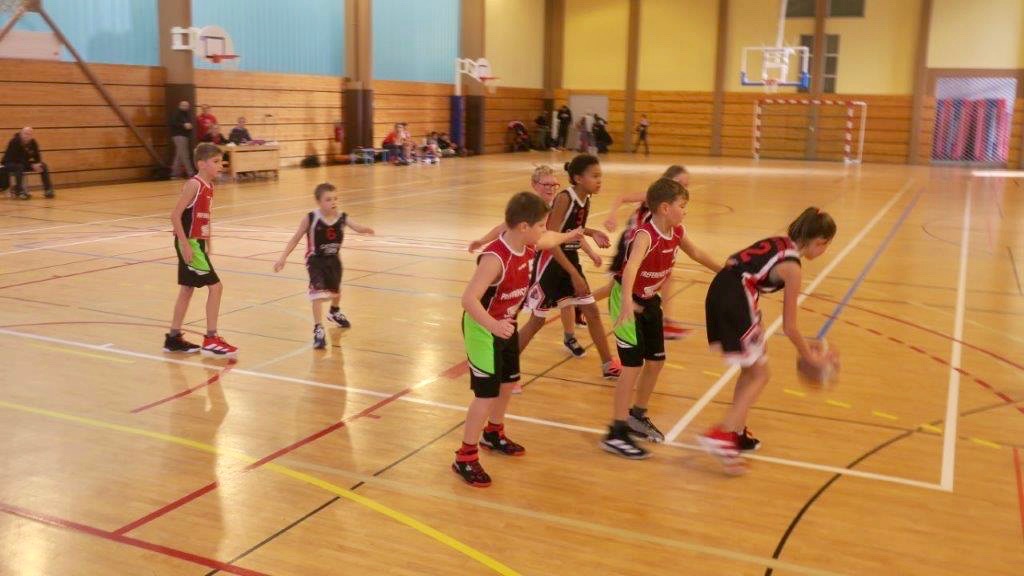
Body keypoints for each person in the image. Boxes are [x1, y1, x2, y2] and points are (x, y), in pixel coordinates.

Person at [452, 191, 584, 487]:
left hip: (505, 324)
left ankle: (493, 433)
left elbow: (549, 239)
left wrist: (571, 235)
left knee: (508, 382)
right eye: (541, 225)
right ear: (524, 226)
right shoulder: (495, 258)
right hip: (482, 328)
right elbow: (469, 299)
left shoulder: (526, 243)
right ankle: (465, 457)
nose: (544, 231)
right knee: (485, 395)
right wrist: (493, 325)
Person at [699, 208, 838, 474]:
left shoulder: (778, 242)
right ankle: (722, 433)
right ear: (819, 241)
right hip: (737, 299)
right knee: (761, 374)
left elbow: (733, 263)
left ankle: (736, 432)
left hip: (719, 290)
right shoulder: (793, 268)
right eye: (826, 245)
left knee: (750, 369)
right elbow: (789, 326)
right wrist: (809, 356)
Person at [602, 178, 721, 459]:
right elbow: (630, 268)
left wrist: (725, 271)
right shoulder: (645, 235)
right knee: (632, 366)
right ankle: (616, 432)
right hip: (626, 301)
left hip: (649, 300)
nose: (685, 211)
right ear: (665, 208)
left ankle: (637, 416)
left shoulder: (677, 231)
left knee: (656, 362)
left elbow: (697, 253)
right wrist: (627, 301)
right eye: (682, 206)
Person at [467, 165, 595, 378]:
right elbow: (504, 228)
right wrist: (482, 241)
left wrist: (576, 239)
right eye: (546, 184)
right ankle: (506, 361)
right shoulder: (525, 213)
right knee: (529, 313)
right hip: (537, 267)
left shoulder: (554, 207)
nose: (551, 188)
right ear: (534, 185)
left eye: (555, 184)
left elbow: (552, 236)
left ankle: (567, 336)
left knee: (564, 302)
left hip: (535, 263)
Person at [519, 154, 621, 380]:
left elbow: (573, 230)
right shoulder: (565, 198)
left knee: (591, 311)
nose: (599, 180)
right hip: (550, 262)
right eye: (594, 176)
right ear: (578, 178)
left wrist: (592, 233)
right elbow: (551, 238)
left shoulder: (585, 199)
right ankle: (506, 367)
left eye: (600, 176)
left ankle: (608, 365)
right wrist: (574, 273)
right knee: (537, 321)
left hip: (568, 258)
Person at [273, 183, 375, 348]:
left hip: (333, 260)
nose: (333, 202)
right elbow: (295, 238)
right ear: (319, 202)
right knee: (318, 294)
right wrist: (283, 257)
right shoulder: (311, 218)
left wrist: (366, 229)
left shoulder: (342, 217)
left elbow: (357, 227)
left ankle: (334, 312)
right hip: (315, 261)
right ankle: (318, 329)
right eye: (328, 199)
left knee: (336, 290)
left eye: (335, 198)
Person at [163, 143, 238, 358]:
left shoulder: (209, 186)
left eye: (221, 161)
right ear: (201, 164)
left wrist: (208, 240)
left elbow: (204, 217)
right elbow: (175, 216)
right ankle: (211, 339)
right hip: (190, 243)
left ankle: (173, 338)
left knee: (187, 289)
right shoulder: (194, 185)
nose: (221, 165)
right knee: (216, 288)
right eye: (216, 161)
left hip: (198, 242)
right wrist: (186, 244)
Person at [603, 165, 693, 340]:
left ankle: (666, 321)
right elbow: (621, 197)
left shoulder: (671, 204)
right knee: (615, 287)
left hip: (646, 244)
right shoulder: (652, 195)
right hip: (631, 243)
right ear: (668, 179)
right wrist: (612, 215)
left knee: (667, 277)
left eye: (686, 185)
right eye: (681, 183)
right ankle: (583, 302)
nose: (684, 187)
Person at [2, 127, 54, 199]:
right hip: (9, 163)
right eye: (25, 134)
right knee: (19, 166)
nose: (27, 136)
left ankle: (48, 190)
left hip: (23, 163)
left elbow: (37, 155)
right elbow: (17, 158)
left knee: (43, 166)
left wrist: (37, 163)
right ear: (21, 134)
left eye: (30, 134)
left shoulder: (33, 142)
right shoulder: (14, 141)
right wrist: (32, 165)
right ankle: (19, 191)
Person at [169, 101, 194, 179]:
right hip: (179, 135)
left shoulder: (187, 114)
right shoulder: (176, 114)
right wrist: (183, 125)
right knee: (184, 154)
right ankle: (190, 173)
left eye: (187, 105)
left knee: (179, 155)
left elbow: (189, 124)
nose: (185, 107)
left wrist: (189, 126)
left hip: (184, 136)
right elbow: (173, 123)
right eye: (183, 105)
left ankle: (174, 173)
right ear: (180, 105)